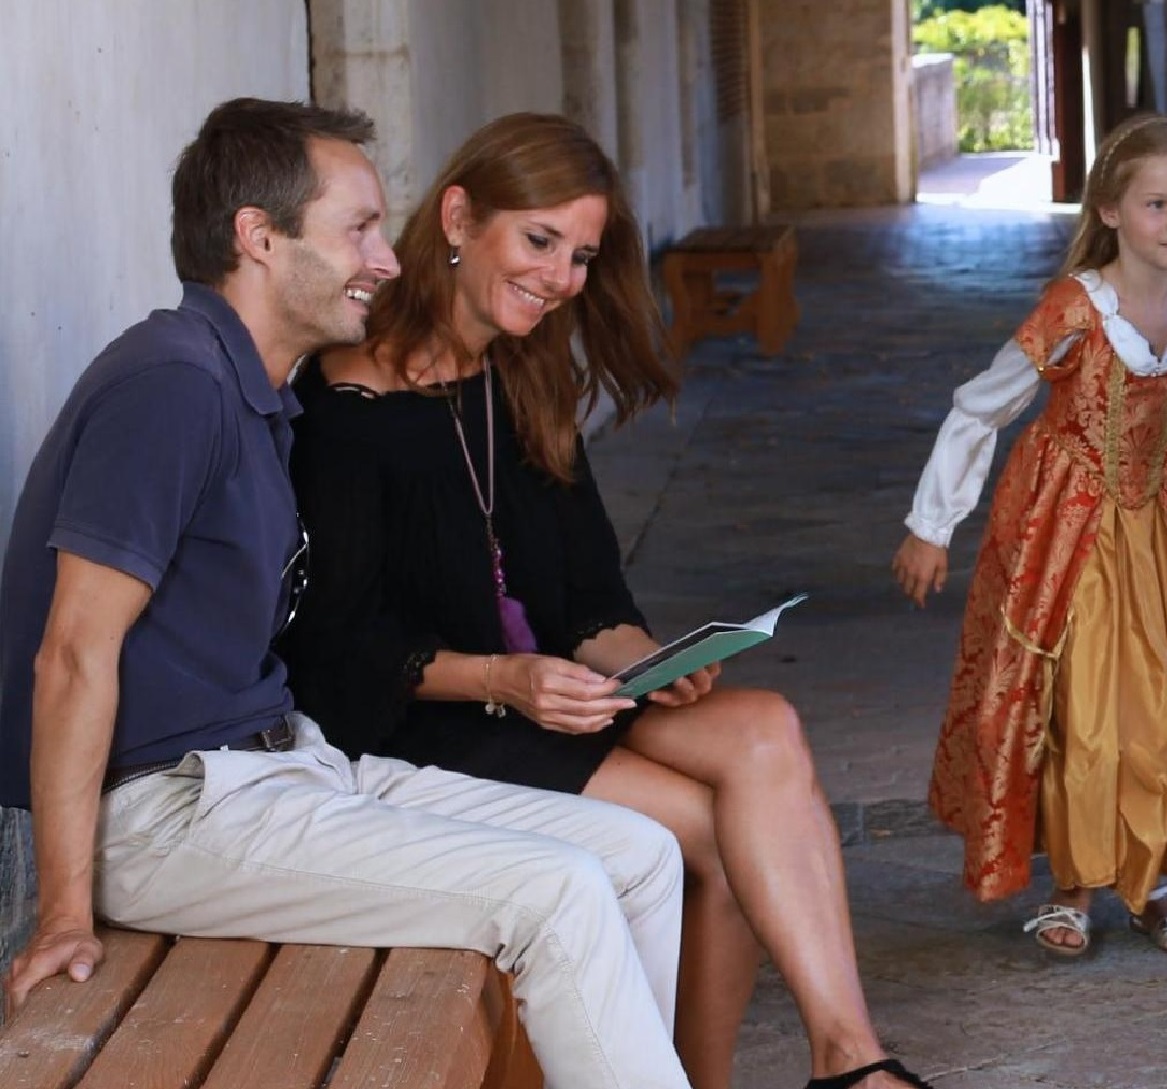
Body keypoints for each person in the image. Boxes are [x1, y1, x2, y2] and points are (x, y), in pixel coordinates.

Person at [1, 98, 692, 1089]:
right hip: (167, 813)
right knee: (562, 893)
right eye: (358, 229)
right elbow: (71, 652)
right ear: (260, 237)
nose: (389, 259)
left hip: (281, 772)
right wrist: (66, 911)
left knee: (638, 856)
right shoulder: (171, 385)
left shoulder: (260, 394)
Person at [275, 113, 921, 1089]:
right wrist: (509, 678)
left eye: (580, 255)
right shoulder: (347, 401)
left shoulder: (522, 374)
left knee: (762, 729)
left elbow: (586, 598)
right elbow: (337, 647)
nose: (562, 278)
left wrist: (644, 658)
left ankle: (849, 1055)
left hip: (549, 693)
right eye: (540, 242)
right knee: (709, 832)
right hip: (422, 723)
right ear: (459, 217)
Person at [900, 114, 1167, 958]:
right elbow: (984, 405)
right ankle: (1076, 881)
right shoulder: (1075, 307)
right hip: (1068, 526)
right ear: (1111, 211)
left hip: (1165, 524)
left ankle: (1155, 876)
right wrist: (931, 523)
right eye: (1158, 202)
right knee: (1080, 703)